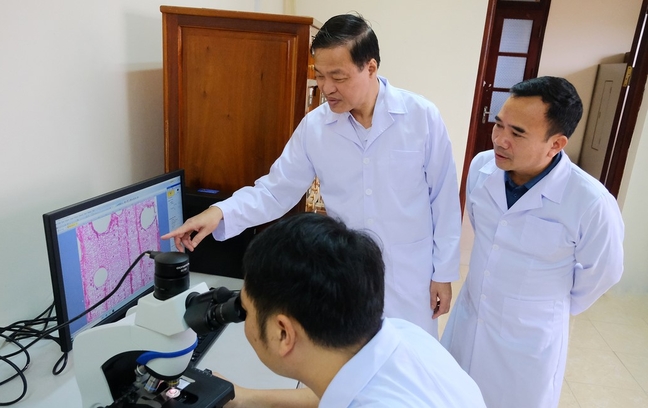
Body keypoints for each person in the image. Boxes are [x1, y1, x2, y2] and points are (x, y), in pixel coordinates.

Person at [162, 13, 462, 337]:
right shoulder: (316, 127)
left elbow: (443, 200)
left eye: (338, 76)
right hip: (347, 274)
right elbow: (276, 191)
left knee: (409, 364)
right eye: (319, 76)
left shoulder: (421, 118)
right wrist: (219, 212)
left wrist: (443, 273)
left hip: (411, 274)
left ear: (371, 67)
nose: (326, 88)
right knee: (349, 361)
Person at [441, 76, 624, 408]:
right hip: (470, 319)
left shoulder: (590, 202)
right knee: (453, 396)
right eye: (499, 125)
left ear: (556, 144)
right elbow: (487, 237)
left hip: (529, 342)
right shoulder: (482, 168)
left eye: (518, 133)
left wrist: (544, 305)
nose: (500, 139)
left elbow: (604, 271)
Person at [225, 212, 485, 407]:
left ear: (283, 333)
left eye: (246, 310)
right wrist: (247, 398)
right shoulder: (407, 336)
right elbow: (343, 389)